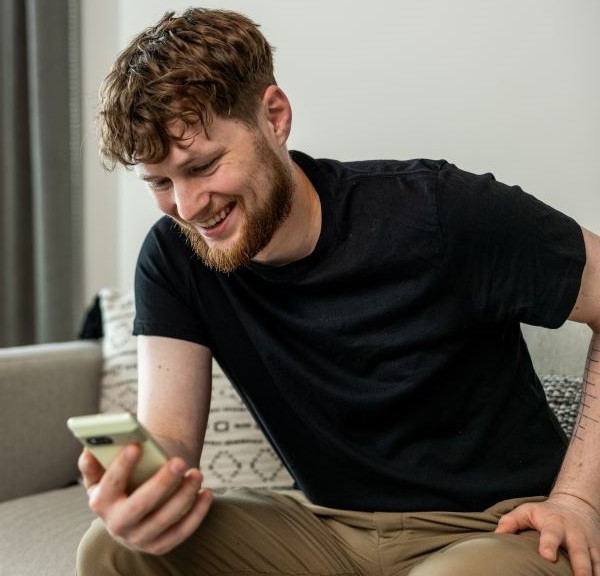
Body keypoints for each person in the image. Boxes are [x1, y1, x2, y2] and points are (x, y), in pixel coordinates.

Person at [76, 7, 600, 576]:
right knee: (111, 549)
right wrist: (141, 494)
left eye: (202, 165)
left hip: (494, 527)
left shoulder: (439, 212)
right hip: (325, 529)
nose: (187, 207)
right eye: (159, 181)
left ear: (273, 117)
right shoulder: (175, 257)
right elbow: (171, 437)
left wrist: (577, 501)